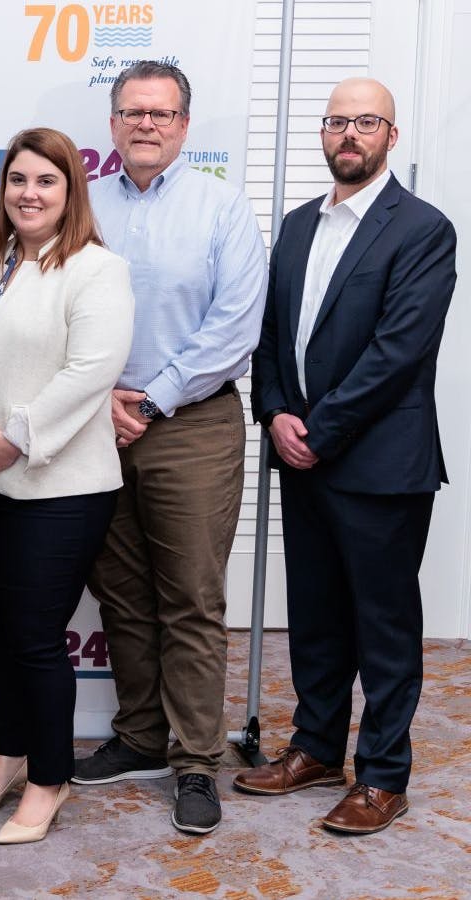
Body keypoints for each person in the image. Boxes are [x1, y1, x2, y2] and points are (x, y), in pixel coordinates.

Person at [239, 77, 456, 835]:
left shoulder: (424, 229)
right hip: (299, 451)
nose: (350, 134)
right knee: (317, 617)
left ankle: (383, 777)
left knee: (383, 626)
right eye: (337, 121)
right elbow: (267, 338)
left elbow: (398, 351)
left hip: (377, 463)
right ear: (323, 134)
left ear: (392, 135)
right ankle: (316, 748)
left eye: (367, 121)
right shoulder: (297, 227)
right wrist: (273, 413)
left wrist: (318, 430)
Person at [71, 61, 268, 836]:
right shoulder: (82, 206)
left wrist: (152, 399)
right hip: (94, 424)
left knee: (190, 596)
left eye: (161, 112)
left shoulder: (223, 209)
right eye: (132, 111)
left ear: (184, 125)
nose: (145, 123)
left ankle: (195, 761)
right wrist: (101, 402)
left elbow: (234, 328)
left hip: (190, 423)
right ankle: (142, 736)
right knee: (120, 592)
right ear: (113, 124)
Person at [0, 127, 134, 845]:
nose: (29, 193)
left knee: (39, 637)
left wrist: (12, 437)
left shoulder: (96, 269)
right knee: (8, 632)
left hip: (60, 487)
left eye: (46, 181)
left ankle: (50, 779)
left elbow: (89, 375)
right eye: (17, 180)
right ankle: (8, 759)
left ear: (70, 190)